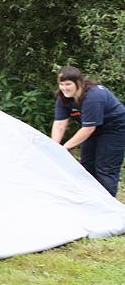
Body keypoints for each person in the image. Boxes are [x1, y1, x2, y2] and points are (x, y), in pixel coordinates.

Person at [51, 66, 125, 197]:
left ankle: (107, 208)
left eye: (68, 84)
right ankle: (89, 201)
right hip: (93, 128)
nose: (64, 88)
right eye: (61, 84)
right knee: (86, 166)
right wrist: (53, 147)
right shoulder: (63, 98)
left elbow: (88, 128)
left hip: (114, 128)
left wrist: (65, 147)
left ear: (79, 83)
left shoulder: (93, 97)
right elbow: (60, 124)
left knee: (105, 168)